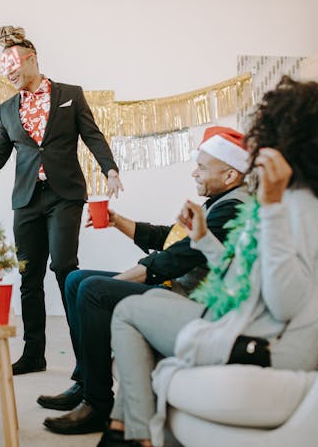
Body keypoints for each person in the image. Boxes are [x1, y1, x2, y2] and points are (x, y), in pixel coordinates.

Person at [99, 76, 318, 447]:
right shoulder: (290, 200)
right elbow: (243, 280)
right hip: (251, 327)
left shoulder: (302, 208)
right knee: (151, 302)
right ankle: (127, 431)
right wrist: (203, 237)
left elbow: (286, 302)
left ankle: (130, 436)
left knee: (128, 312)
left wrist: (269, 209)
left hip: (271, 346)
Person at [0, 26, 124, 375]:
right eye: (5, 69)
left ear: (31, 58)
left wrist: (110, 170)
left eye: (14, 65)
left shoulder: (70, 94)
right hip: (27, 201)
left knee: (65, 268)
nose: (10, 73)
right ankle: (34, 354)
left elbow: (92, 135)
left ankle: (85, 357)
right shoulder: (6, 109)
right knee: (28, 276)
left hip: (65, 196)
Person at [42, 127, 250, 435]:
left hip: (185, 300)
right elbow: (169, 239)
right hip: (173, 286)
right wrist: (117, 221)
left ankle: (97, 404)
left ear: (231, 175)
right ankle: (86, 381)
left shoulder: (233, 209)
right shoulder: (218, 202)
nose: (194, 172)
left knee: (91, 289)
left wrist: (125, 281)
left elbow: (172, 260)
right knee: (75, 279)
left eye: (202, 167)